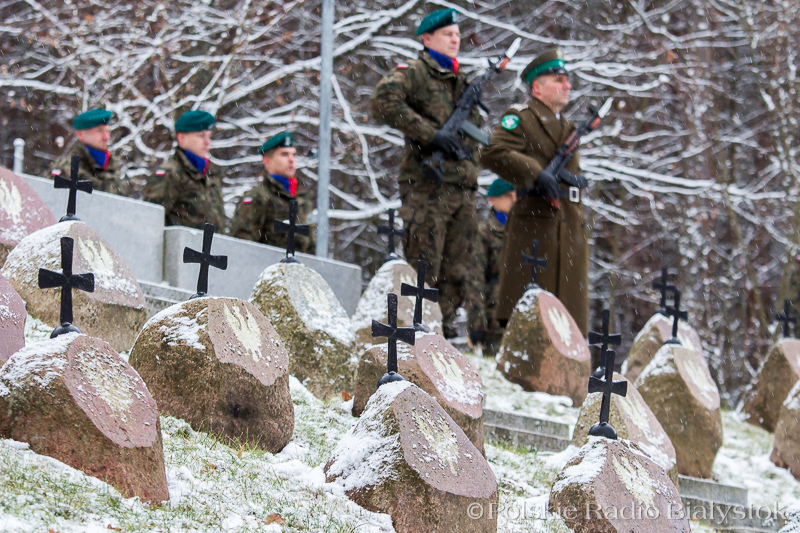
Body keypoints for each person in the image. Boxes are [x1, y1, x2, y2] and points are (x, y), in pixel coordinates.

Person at [369, 8, 482, 338]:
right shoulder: (416, 72)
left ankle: (440, 338)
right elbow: (382, 100)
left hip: (462, 187)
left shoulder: (462, 81)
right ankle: (414, 336)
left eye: (458, 34)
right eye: (448, 34)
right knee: (424, 267)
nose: (455, 39)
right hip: (428, 186)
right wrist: (430, 135)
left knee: (458, 271)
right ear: (427, 38)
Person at [481, 49, 590, 335]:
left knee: (569, 325)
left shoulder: (567, 127)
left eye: (567, 79)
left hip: (569, 228)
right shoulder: (522, 118)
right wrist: (536, 173)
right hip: (536, 229)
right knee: (531, 322)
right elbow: (492, 151)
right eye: (558, 79)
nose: (567, 85)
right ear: (536, 86)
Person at [231, 132, 315, 252]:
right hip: (270, 267)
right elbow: (243, 247)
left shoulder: (302, 198)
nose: (291, 160)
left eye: (294, 155)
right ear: (267, 161)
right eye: (284, 154)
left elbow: (310, 244)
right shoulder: (258, 197)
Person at [143, 110, 226, 231]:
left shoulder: (211, 174)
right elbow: (150, 222)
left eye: (209, 136)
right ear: (181, 138)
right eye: (201, 136)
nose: (207, 142)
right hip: (179, 247)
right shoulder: (170, 173)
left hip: (210, 248)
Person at [468, 178, 516, 356]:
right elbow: (475, 278)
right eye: (509, 195)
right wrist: (476, 323)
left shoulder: (524, 230)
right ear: (493, 200)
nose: (514, 199)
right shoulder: (484, 232)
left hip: (520, 308)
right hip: (494, 316)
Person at [49, 108, 127, 195]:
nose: (106, 137)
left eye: (107, 131)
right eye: (100, 131)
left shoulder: (114, 166)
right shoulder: (68, 167)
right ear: (80, 134)